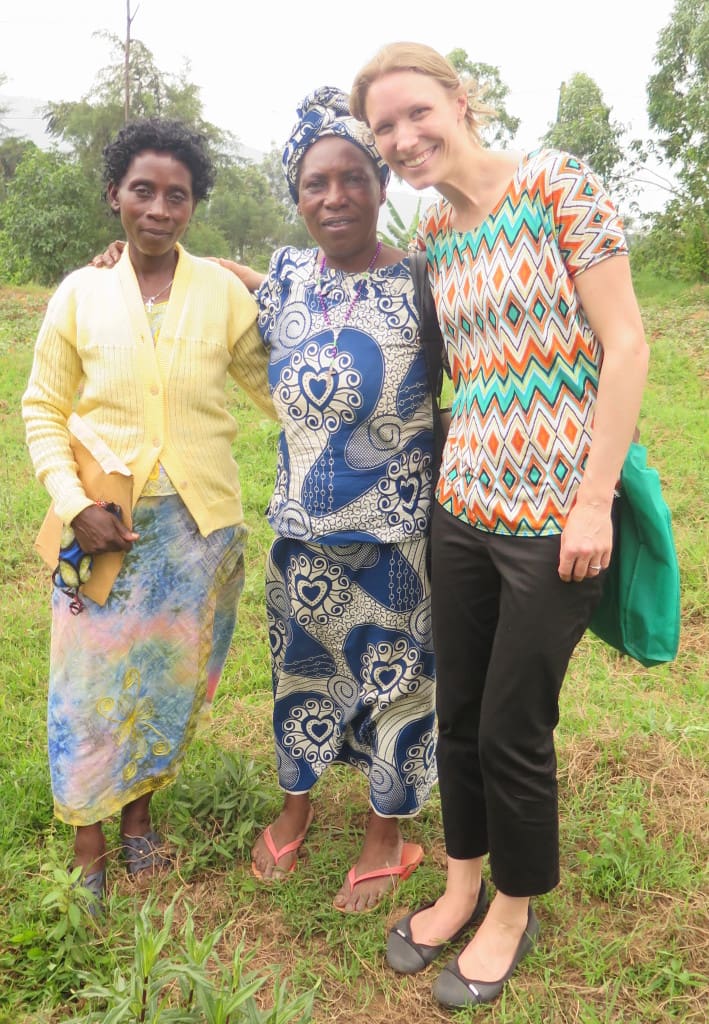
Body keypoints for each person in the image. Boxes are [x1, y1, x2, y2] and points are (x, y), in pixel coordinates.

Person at [350, 43, 649, 1005]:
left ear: (460, 101)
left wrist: (593, 498)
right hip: (463, 508)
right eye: (382, 128)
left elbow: (626, 343)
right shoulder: (437, 236)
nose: (401, 139)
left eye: (414, 114)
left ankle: (512, 909)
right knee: (462, 714)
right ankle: (461, 882)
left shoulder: (558, 184)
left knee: (516, 721)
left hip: (555, 516)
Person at [22, 118, 275, 910]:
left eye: (178, 195)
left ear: (194, 205)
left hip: (199, 532)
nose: (159, 208)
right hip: (102, 528)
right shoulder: (80, 291)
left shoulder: (221, 293)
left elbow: (280, 386)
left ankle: (139, 825)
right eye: (143, 191)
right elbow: (42, 408)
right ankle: (88, 846)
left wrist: (266, 282)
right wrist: (73, 505)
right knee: (85, 688)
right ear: (115, 197)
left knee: (166, 683)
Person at [227, 87, 440, 912]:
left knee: (395, 683)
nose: (334, 197)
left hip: (395, 539)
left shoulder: (423, 282)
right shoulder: (285, 279)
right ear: (298, 197)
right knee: (300, 676)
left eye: (352, 178)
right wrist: (122, 257)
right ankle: (296, 806)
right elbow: (216, 275)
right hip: (300, 536)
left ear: (382, 185)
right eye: (315, 184)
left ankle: (387, 833)